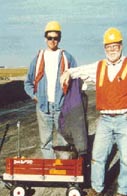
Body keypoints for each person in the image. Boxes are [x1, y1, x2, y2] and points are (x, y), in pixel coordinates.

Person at [61, 27, 127, 196]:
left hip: (126, 120)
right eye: (108, 46)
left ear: (120, 46)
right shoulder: (99, 67)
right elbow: (80, 71)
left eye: (115, 45)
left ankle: (122, 192)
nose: (112, 49)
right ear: (105, 48)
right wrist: (68, 73)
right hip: (105, 120)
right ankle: (97, 188)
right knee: (98, 156)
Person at [24, 21, 86, 159]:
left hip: (62, 107)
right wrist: (35, 97)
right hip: (43, 107)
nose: (53, 41)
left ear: (60, 39)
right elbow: (27, 82)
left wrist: (70, 101)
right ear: (45, 38)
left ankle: (64, 173)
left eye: (55, 38)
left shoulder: (67, 58)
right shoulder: (38, 58)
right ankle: (51, 173)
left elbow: (77, 81)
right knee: (45, 142)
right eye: (50, 37)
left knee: (64, 141)